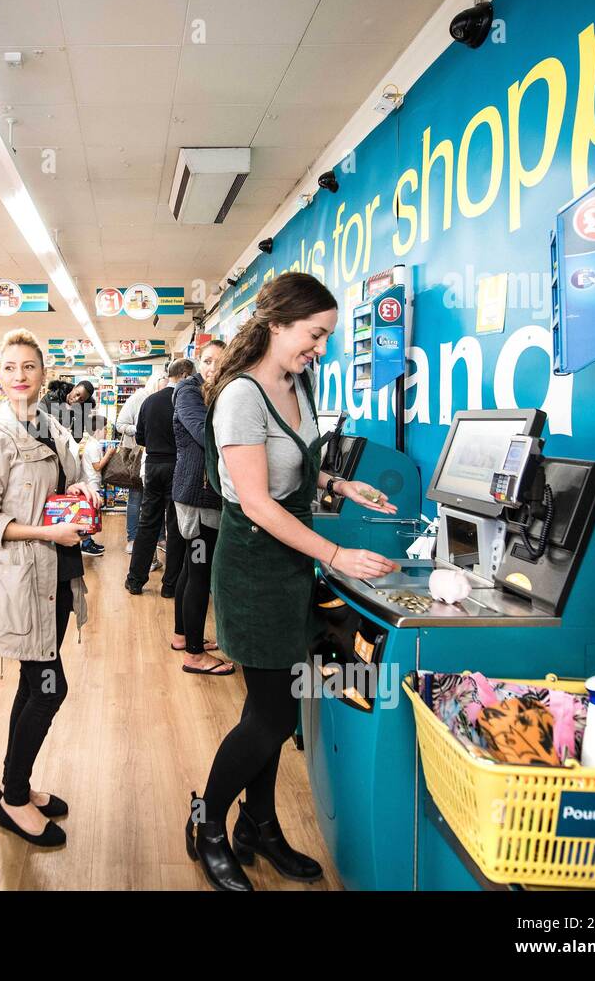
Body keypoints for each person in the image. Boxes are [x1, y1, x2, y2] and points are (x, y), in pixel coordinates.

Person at [185, 273, 399, 892]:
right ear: (277, 323)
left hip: (290, 564)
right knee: (271, 717)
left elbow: (293, 467)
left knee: (271, 707)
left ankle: (260, 825)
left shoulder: (295, 381)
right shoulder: (240, 397)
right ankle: (208, 826)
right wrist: (337, 554)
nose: (321, 349)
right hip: (254, 565)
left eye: (326, 337)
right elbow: (255, 501)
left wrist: (338, 485)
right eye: (315, 335)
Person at [0, 329, 98, 848]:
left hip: (57, 577)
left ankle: (14, 785)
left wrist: (84, 487)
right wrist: (46, 531)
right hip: (24, 580)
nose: (19, 377)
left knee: (32, 682)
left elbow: (73, 474)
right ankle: (12, 801)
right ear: (0, 376)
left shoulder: (49, 424)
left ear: (43, 373)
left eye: (29, 367)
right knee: (49, 687)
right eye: (9, 368)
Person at [171, 340, 231, 676]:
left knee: (189, 570)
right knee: (199, 571)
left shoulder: (213, 391)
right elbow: (203, 433)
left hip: (199, 494)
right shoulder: (189, 391)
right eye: (207, 361)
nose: (211, 368)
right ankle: (194, 655)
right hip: (198, 496)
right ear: (198, 362)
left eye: (218, 363)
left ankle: (184, 636)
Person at [124, 359, 193, 596]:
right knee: (175, 526)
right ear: (185, 375)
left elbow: (140, 436)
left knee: (147, 523)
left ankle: (135, 580)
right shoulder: (187, 400)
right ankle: (170, 586)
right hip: (178, 466)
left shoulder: (149, 401)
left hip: (153, 465)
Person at [115, 371, 165, 553]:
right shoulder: (139, 398)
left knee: (157, 498)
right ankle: (132, 538)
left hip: (156, 456)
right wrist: (141, 428)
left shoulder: (164, 399)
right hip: (137, 455)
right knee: (136, 496)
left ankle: (160, 538)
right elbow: (119, 424)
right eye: (163, 383)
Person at [78, 413, 111, 557]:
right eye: (104, 428)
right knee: (89, 516)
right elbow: (97, 466)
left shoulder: (92, 444)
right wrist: (109, 454)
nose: (106, 431)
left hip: (91, 483)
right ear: (97, 429)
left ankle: (89, 541)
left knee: (91, 515)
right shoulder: (93, 446)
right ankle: (86, 544)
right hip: (91, 484)